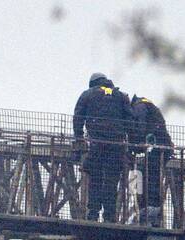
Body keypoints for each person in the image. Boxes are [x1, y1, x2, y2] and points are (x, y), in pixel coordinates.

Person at [72, 73, 134, 222]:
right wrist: (130, 145)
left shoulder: (87, 95)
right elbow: (131, 120)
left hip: (96, 145)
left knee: (95, 179)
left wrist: (79, 137)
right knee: (112, 182)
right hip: (117, 145)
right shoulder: (121, 96)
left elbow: (78, 117)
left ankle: (93, 214)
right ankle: (110, 216)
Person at [130, 94, 172, 226]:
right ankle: (152, 213)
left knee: (148, 178)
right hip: (163, 147)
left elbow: (141, 125)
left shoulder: (139, 106)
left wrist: (137, 144)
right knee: (152, 178)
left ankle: (149, 211)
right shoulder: (150, 106)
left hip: (157, 148)